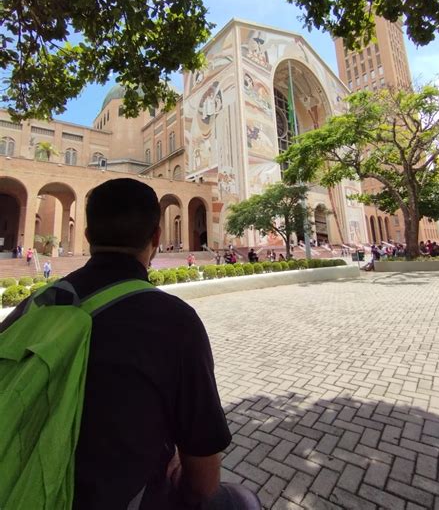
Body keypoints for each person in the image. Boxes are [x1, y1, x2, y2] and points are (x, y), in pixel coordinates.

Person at [1, 179, 260, 510]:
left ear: (87, 235)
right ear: (156, 237)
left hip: (22, 489)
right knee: (242, 501)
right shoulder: (174, 320)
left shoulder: (36, 303)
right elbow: (203, 480)